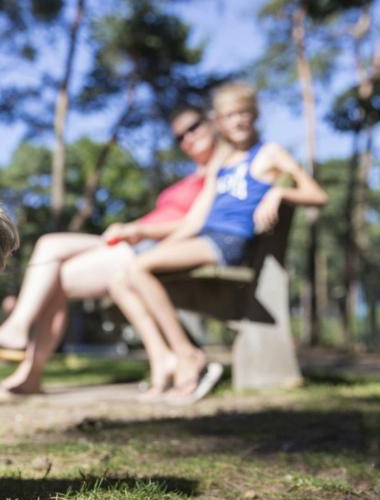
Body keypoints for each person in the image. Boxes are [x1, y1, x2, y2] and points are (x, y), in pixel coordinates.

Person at [108, 82, 328, 401]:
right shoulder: (221, 163)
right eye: (229, 116)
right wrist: (149, 238)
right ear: (220, 122)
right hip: (206, 237)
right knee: (124, 276)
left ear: (254, 115)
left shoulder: (268, 153)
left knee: (140, 268)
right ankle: (164, 362)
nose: (237, 121)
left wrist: (280, 192)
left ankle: (189, 356)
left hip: (230, 242)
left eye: (243, 113)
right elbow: (195, 220)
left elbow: (317, 195)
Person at [0, 105, 221, 397]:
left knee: (57, 275)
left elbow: (196, 224)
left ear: (212, 122)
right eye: (179, 137)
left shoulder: (220, 172)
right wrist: (132, 228)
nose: (188, 138)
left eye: (194, 127)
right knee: (49, 244)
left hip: (152, 245)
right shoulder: (191, 177)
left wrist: (139, 231)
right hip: (134, 237)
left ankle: (27, 364)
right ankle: (19, 335)